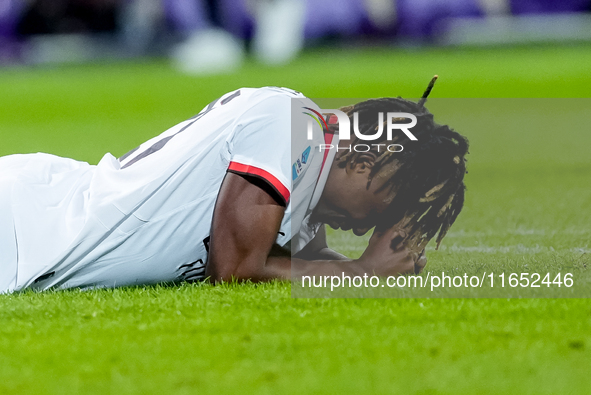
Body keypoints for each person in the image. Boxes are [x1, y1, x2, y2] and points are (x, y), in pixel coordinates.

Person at [0, 81, 468, 293]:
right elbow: (237, 268)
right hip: (25, 223)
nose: (369, 228)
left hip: (36, 226)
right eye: (390, 202)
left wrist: (375, 268)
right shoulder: (292, 125)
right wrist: (364, 272)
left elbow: (296, 261)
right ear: (369, 161)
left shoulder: (304, 168)